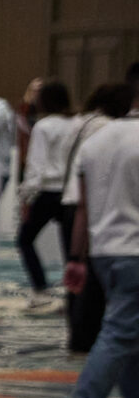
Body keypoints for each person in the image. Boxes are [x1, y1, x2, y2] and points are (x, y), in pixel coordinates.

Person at [52, 84, 139, 398]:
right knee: (120, 335)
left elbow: (82, 206)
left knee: (130, 336)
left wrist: (77, 257)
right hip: (135, 250)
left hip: (104, 250)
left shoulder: (96, 141)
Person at [63, 83, 129, 355]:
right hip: (87, 204)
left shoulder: (80, 121)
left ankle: (77, 335)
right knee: (89, 279)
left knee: (76, 273)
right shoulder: (106, 128)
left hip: (71, 200)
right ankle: (84, 338)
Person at [17, 80, 77, 305]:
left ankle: (40, 289)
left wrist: (26, 197)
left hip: (47, 191)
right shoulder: (77, 124)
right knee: (70, 247)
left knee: (25, 240)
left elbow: (36, 165)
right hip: (70, 192)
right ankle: (74, 294)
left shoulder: (44, 126)